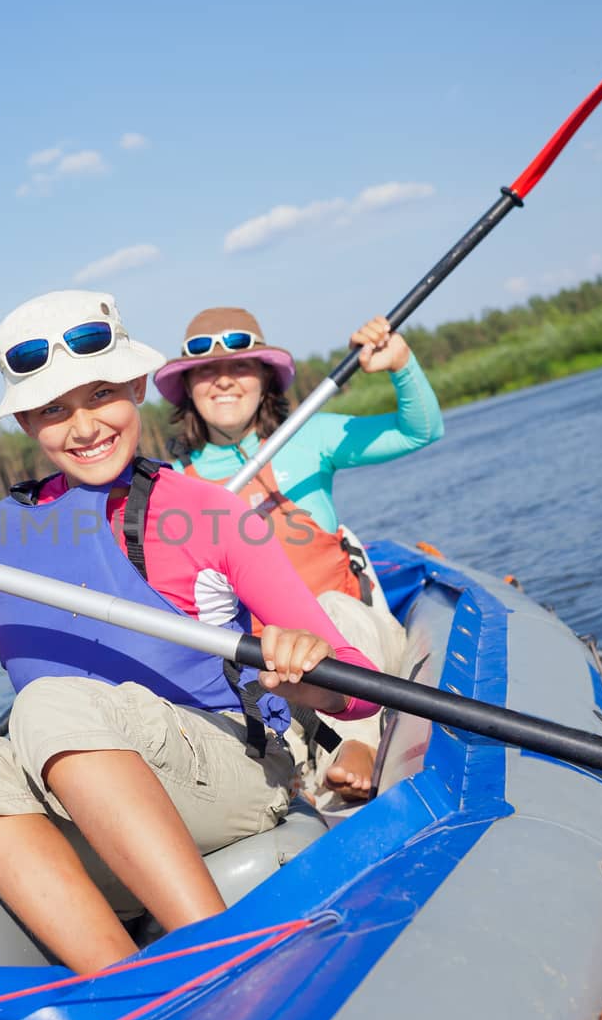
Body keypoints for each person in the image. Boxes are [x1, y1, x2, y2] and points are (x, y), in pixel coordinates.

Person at [0, 289, 379, 974]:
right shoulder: (2, 534)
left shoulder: (210, 512)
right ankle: (128, 985)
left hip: (231, 774)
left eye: (101, 393)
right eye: (53, 409)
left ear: (136, 385)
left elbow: (360, 691)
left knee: (45, 703)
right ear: (25, 423)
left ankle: (221, 966)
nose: (83, 426)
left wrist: (308, 671)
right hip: (93, 802)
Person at [153, 306, 443, 807]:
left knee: (330, 612)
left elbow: (419, 431)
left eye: (240, 367)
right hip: (263, 667)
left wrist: (400, 364)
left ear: (264, 380)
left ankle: (359, 744)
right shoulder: (169, 485)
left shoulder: (310, 438)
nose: (223, 381)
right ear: (189, 389)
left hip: (349, 643)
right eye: (206, 371)